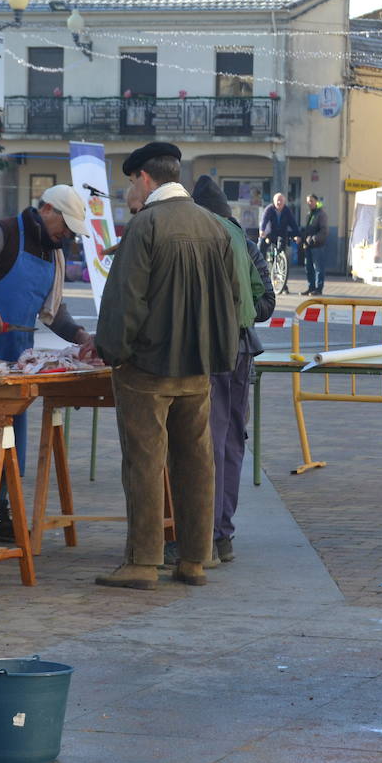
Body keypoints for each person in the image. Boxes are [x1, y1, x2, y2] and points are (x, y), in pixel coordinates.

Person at [94, 142, 240, 590]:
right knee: (196, 462)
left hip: (147, 368)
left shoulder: (146, 225)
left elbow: (125, 301)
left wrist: (111, 351)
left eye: (129, 184)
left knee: (144, 462)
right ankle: (196, 559)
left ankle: (142, 561)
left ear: (144, 178)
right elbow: (232, 301)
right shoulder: (213, 225)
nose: (127, 193)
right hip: (198, 368)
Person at [0, 184, 97, 547]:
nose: (67, 235)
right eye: (65, 227)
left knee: (8, 439)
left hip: (14, 358)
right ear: (47, 210)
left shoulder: (53, 253)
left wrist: (79, 335)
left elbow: (53, 312)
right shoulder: (2, 234)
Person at [191, 176, 275, 566]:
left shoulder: (202, 240)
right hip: (242, 351)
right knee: (230, 442)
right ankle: (223, 534)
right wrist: (240, 314)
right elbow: (267, 302)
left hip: (211, 355)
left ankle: (207, 534)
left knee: (210, 440)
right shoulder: (246, 243)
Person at [259, 192, 299, 291]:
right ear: (274, 201)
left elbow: (293, 223)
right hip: (271, 234)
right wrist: (262, 230)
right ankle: (260, 266)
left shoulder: (287, 211)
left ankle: (283, 283)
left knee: (282, 253)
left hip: (282, 234)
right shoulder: (269, 209)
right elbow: (264, 220)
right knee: (261, 247)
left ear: (284, 202)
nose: (279, 202)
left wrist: (297, 235)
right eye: (277, 200)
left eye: (281, 200)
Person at [300, 193, 327, 295]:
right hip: (308, 245)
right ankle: (311, 288)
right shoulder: (309, 214)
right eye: (308, 201)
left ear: (316, 201)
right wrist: (302, 237)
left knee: (318, 268)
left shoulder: (321, 214)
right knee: (309, 268)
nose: (309, 203)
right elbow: (307, 229)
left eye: (311, 201)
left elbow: (324, 231)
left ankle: (318, 289)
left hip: (317, 246)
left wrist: (313, 239)